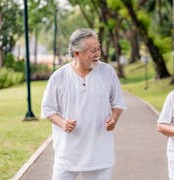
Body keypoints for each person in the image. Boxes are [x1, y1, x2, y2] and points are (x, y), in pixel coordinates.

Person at [41, 28, 127, 180]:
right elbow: (47, 108)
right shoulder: (58, 77)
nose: (97, 54)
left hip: (100, 155)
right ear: (76, 53)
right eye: (92, 50)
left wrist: (114, 118)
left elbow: (118, 101)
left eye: (98, 48)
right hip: (67, 155)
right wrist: (62, 123)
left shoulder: (108, 72)